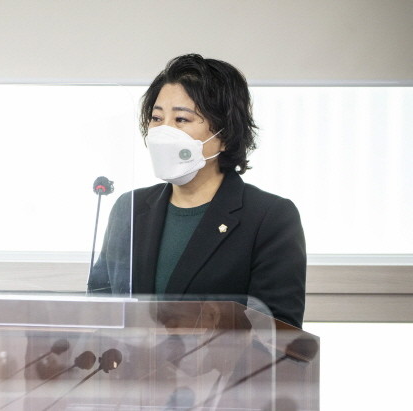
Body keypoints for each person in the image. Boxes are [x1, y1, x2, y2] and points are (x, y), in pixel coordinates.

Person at [87, 54, 306, 328]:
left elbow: (280, 331)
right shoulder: (130, 207)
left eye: (181, 119)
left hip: (221, 359)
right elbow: (98, 307)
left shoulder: (270, 217)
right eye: (156, 118)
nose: (163, 132)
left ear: (225, 134)